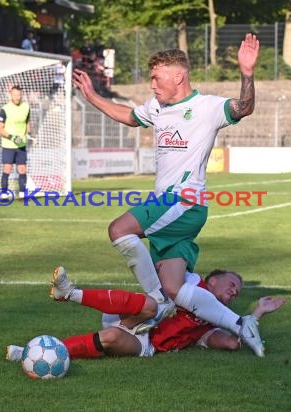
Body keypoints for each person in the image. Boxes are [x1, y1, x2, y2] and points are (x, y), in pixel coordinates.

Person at [72, 34, 260, 347]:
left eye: (157, 78)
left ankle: (156, 302)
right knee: (174, 287)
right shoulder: (157, 108)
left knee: (119, 229)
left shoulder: (207, 107)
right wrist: (92, 97)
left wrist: (247, 73)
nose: (152, 85)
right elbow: (129, 117)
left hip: (185, 201)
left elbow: (244, 107)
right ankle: (242, 326)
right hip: (170, 208)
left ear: (178, 76)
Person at [5, 267, 286, 360]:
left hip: (146, 343)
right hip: (136, 314)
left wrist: (258, 312)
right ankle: (69, 293)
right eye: (232, 284)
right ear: (212, 280)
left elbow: (233, 343)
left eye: (238, 291)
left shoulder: (211, 322)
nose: (235, 291)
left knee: (111, 338)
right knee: (151, 305)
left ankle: (29, 352)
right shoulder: (188, 281)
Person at [0, 85, 31, 198]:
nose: (17, 97)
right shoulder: (5, 109)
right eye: (15, 95)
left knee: (22, 169)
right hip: (8, 144)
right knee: (7, 168)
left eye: (19, 95)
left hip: (21, 145)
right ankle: (4, 194)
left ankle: (22, 195)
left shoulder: (26, 107)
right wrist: (12, 137)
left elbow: (27, 123)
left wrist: (28, 134)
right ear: (11, 95)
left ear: (22, 95)